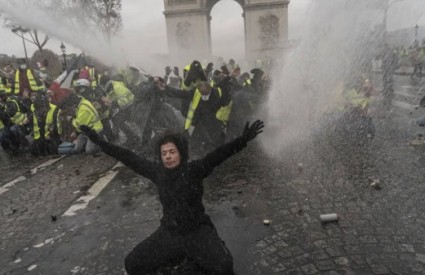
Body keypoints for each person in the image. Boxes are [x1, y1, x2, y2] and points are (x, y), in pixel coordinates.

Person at [79, 119, 264, 275]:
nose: (168, 157)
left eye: (172, 152)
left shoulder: (195, 169)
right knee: (133, 264)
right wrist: (99, 141)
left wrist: (243, 140)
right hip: (170, 232)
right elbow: (128, 157)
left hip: (197, 231)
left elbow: (219, 154)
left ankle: (193, 257)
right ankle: (182, 258)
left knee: (224, 267)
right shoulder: (157, 172)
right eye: (164, 153)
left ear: (181, 153)